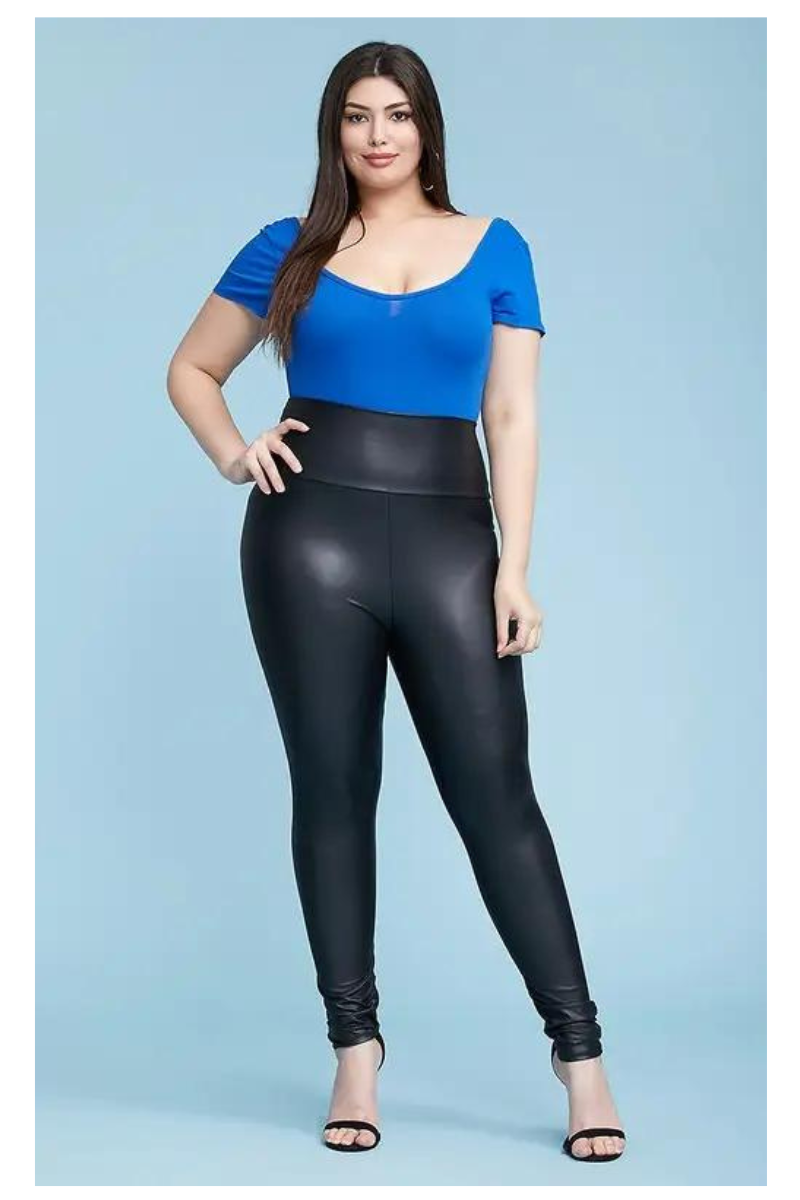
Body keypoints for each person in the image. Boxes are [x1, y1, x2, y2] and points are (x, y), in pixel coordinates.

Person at [166, 40, 626, 1163]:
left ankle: (581, 1061)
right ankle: (355, 1052)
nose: (378, 135)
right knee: (333, 791)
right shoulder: (289, 246)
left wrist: (513, 567)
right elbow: (191, 369)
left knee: (497, 799)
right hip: (306, 540)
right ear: (334, 131)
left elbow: (510, 414)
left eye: (398, 114)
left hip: (449, 542)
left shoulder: (497, 245)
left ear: (427, 128)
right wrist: (233, 453)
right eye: (357, 116)